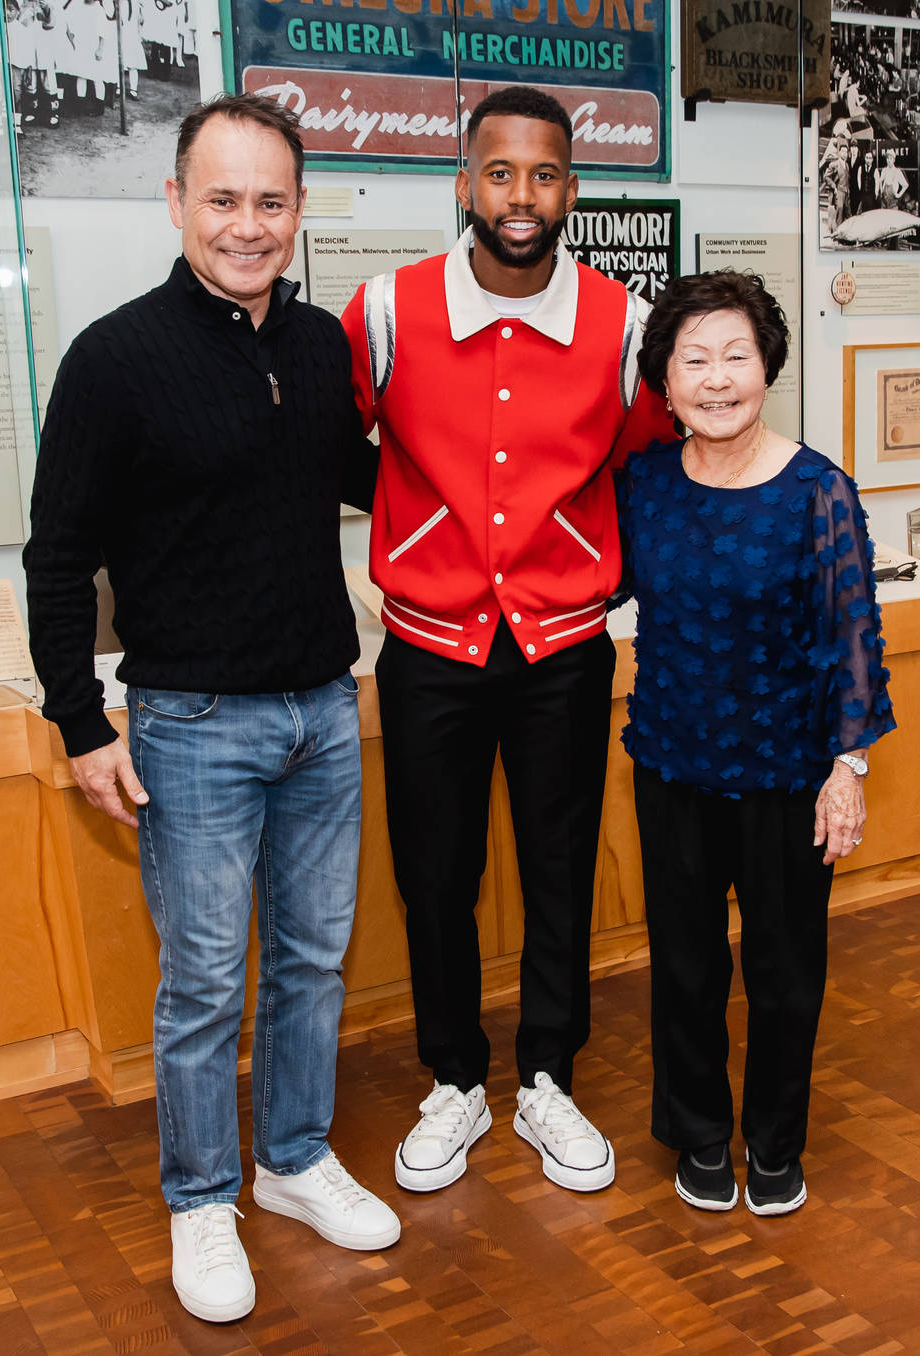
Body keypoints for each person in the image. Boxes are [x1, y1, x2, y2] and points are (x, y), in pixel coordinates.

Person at [24, 93, 397, 1326]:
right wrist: (82, 723)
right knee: (199, 984)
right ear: (176, 203)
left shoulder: (317, 349)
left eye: (271, 201)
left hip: (322, 712)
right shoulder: (114, 359)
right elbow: (56, 557)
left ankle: (290, 1160)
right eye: (223, 198)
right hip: (187, 726)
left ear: (299, 211)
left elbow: (364, 476)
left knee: (310, 958)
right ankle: (200, 1198)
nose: (248, 224)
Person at [341, 86, 675, 1198]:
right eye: (499, 174)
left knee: (560, 865)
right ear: (464, 184)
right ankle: (454, 1079)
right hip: (430, 644)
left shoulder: (622, 324)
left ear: (572, 190)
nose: (520, 197)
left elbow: (640, 462)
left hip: (565, 647)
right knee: (434, 873)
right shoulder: (385, 310)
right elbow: (341, 450)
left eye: (543, 175)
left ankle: (547, 1078)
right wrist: (420, 525)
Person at [614, 270, 894, 1218]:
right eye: (695, 360)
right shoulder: (644, 485)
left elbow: (853, 638)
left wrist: (846, 771)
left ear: (768, 365)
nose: (718, 378)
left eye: (736, 354)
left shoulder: (819, 491)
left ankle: (775, 1143)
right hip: (673, 767)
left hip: (785, 774)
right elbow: (589, 580)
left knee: (784, 976)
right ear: (664, 379)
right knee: (686, 971)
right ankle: (699, 1134)